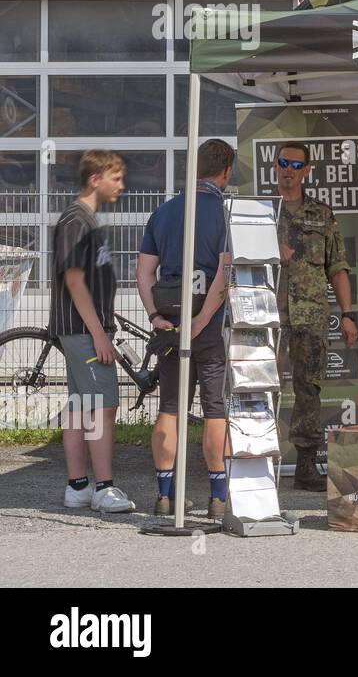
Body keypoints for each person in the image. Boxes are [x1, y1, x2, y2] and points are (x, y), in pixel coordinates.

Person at [137, 139, 234, 518]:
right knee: (214, 408)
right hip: (207, 326)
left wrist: (154, 316)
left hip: (169, 322)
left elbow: (144, 273)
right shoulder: (224, 214)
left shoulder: (163, 212)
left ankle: (164, 495)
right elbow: (224, 275)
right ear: (225, 171)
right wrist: (202, 320)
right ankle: (218, 498)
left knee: (170, 407)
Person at [51, 150, 134, 514]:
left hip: (83, 327)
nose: (122, 185)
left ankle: (78, 487)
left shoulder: (88, 220)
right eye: (116, 177)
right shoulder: (76, 221)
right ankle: (104, 488)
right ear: (95, 178)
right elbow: (73, 279)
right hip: (84, 332)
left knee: (81, 406)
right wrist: (99, 333)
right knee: (104, 406)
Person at [275, 142, 356, 490]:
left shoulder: (322, 215)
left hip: (311, 318)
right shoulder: (261, 212)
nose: (288, 169)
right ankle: (253, 462)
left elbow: (337, 268)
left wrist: (348, 314)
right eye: (282, 163)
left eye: (296, 164)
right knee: (260, 387)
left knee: (309, 389)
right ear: (274, 167)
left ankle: (307, 465)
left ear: (307, 170)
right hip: (269, 318)